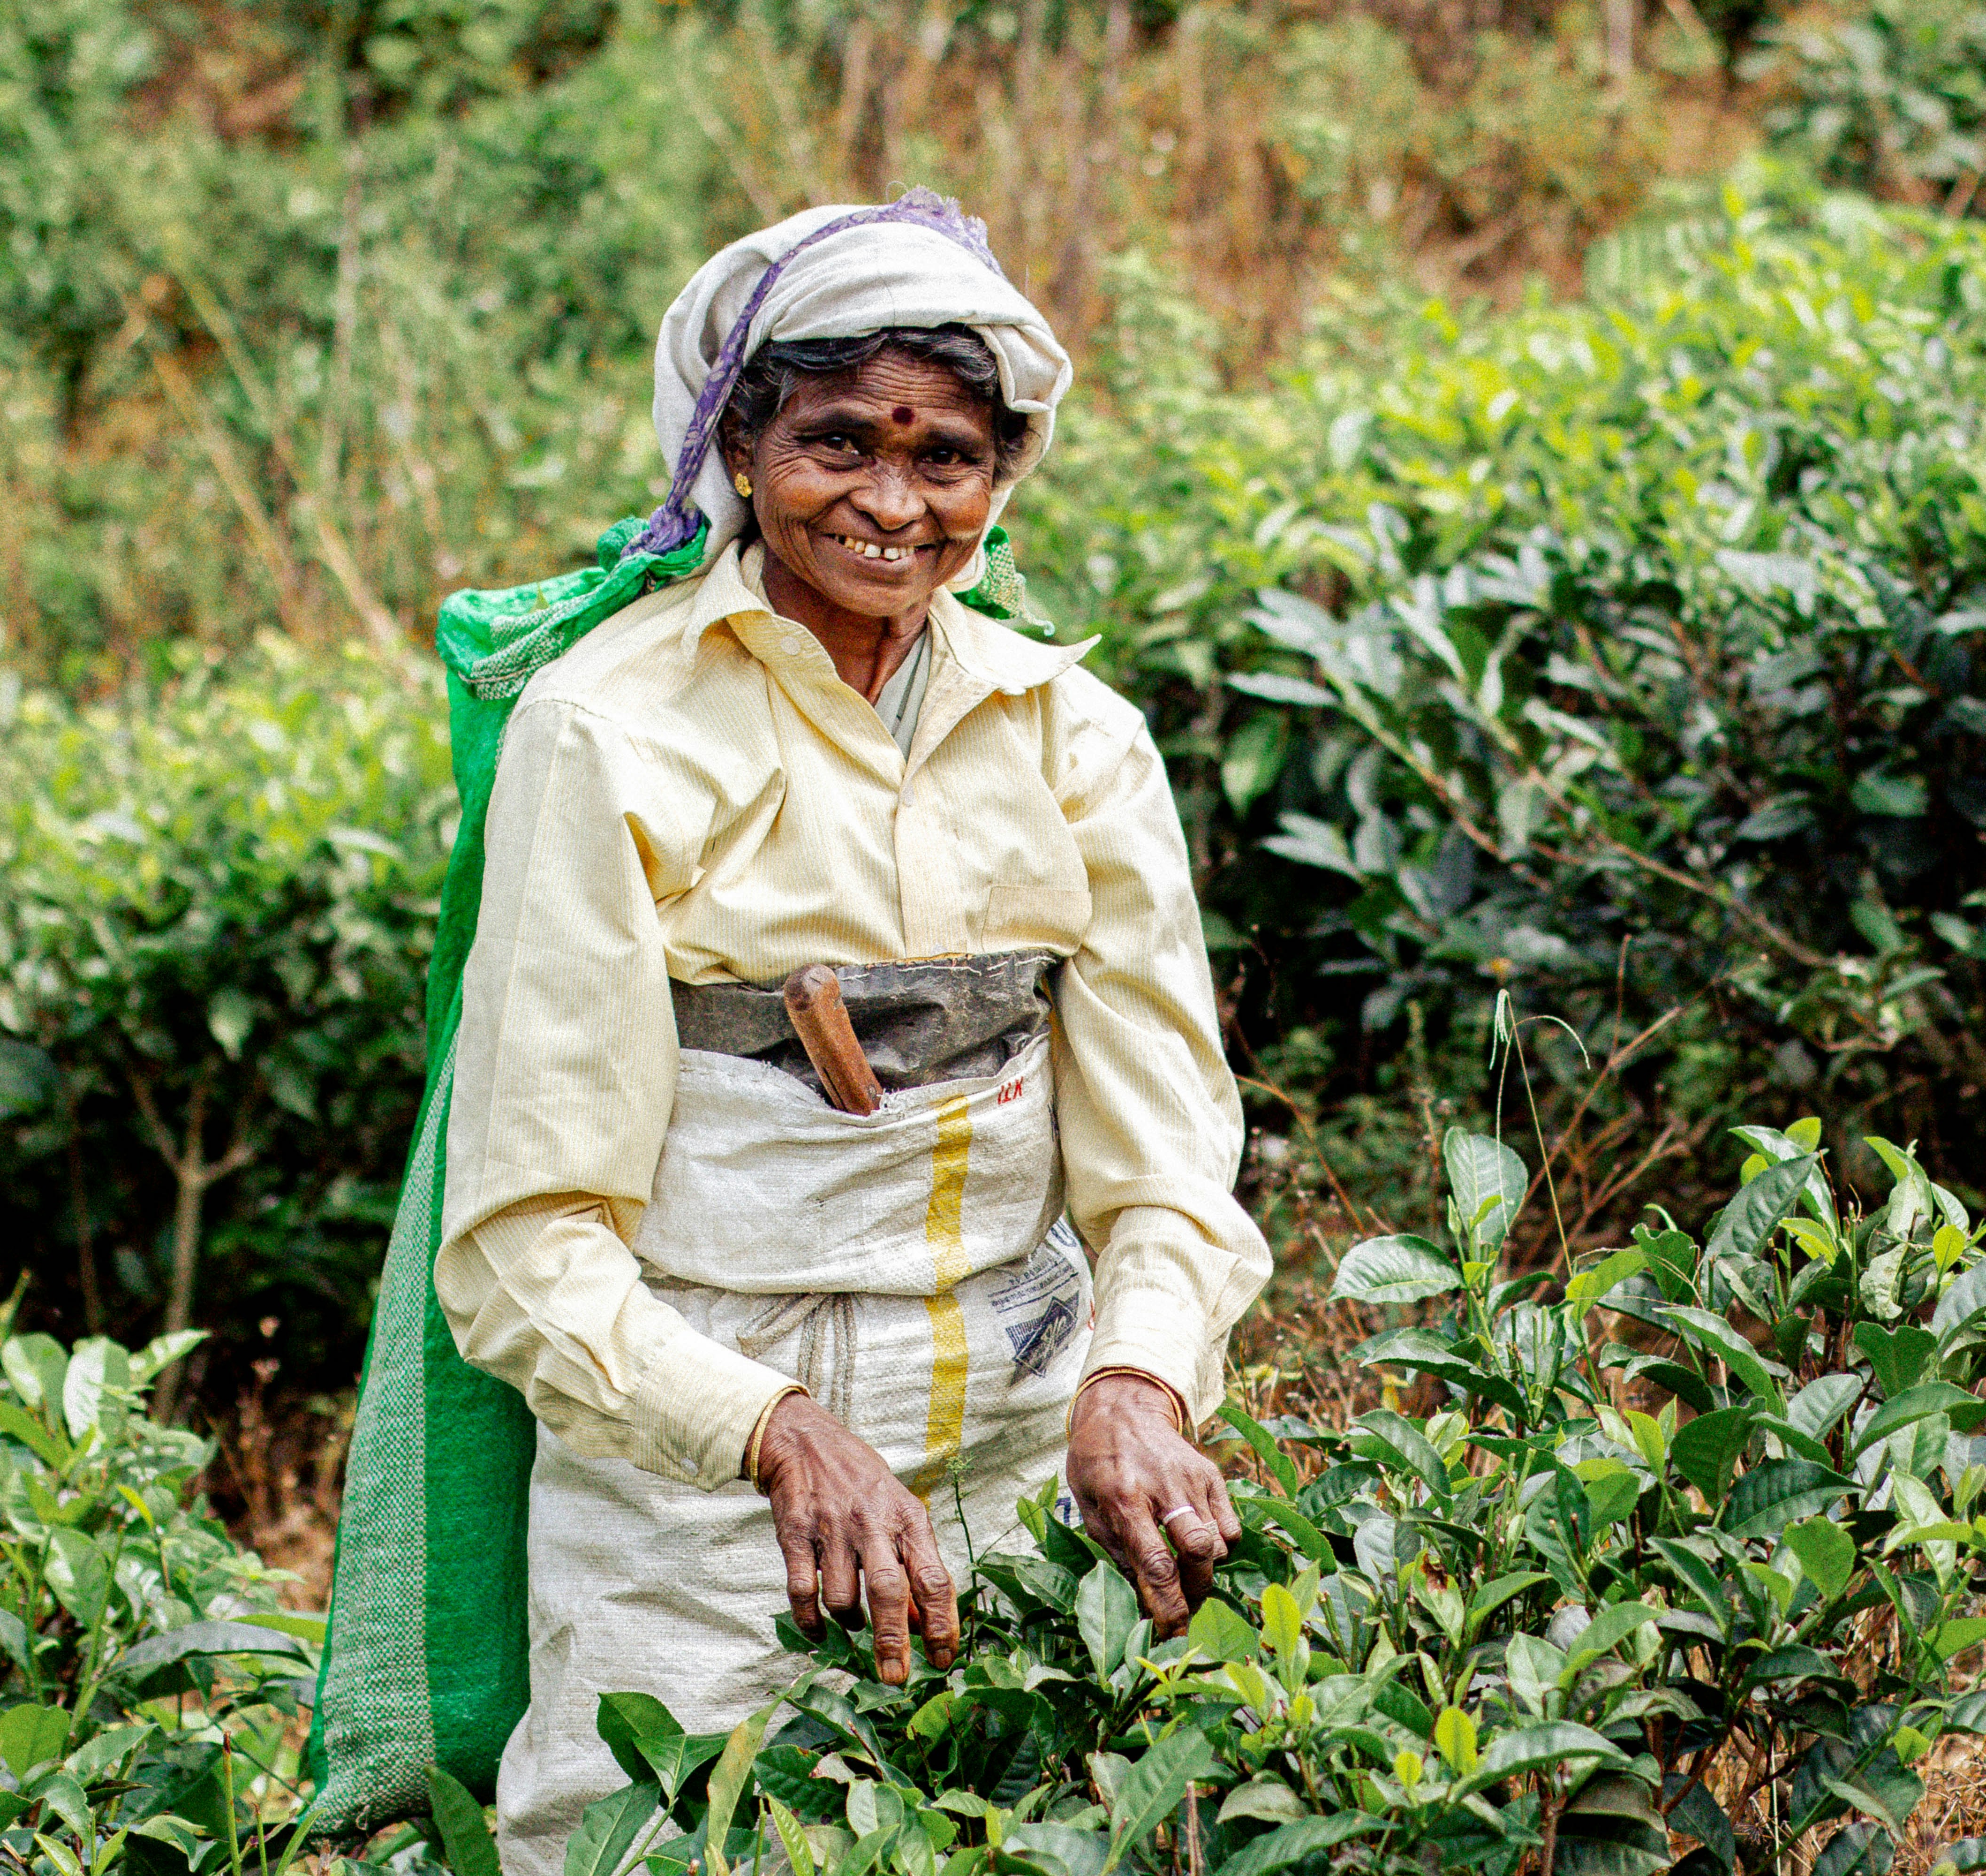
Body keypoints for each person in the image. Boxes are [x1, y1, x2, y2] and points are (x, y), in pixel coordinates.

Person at [428, 189, 1269, 1873]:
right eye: (835, 442)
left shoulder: (1077, 738)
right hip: (700, 1489)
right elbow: (525, 1245)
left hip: (1028, 1451)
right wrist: (774, 1434)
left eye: (948, 456)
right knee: (658, 1844)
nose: (893, 503)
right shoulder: (609, 733)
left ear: (1003, 477)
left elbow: (1171, 1160)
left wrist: (1137, 1379)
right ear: (741, 443)